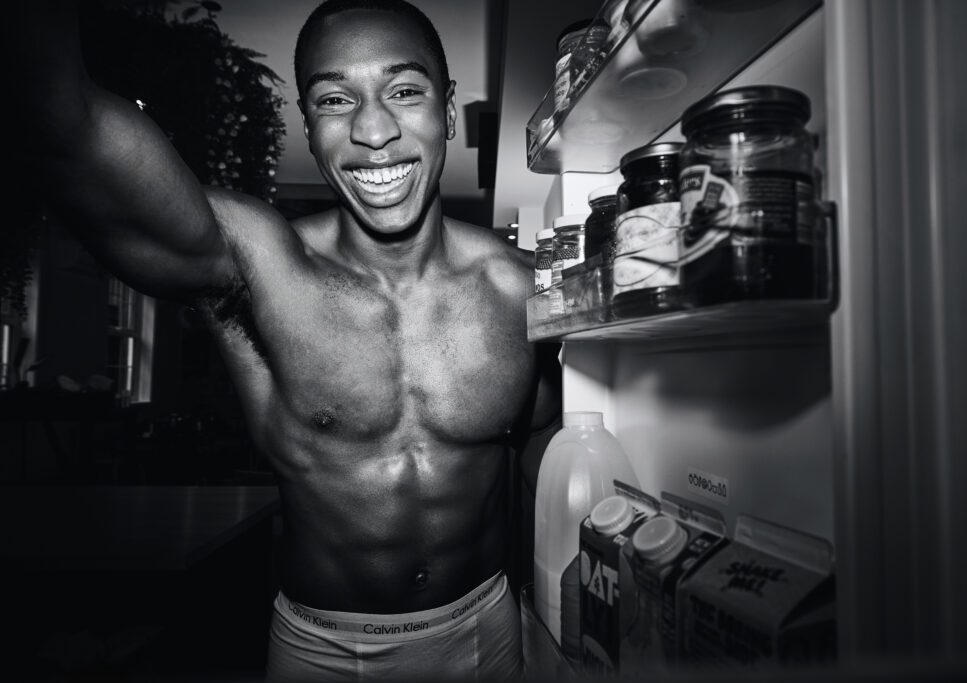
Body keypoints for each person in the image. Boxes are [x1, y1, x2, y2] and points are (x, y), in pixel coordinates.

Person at [10, 0, 562, 680]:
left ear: (448, 110)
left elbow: (545, 443)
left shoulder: (520, 286)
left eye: (404, 91)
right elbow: (62, 120)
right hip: (326, 651)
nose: (374, 130)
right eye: (335, 100)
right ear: (308, 123)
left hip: (488, 631)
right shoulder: (259, 267)